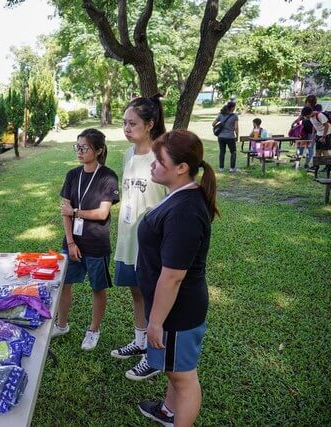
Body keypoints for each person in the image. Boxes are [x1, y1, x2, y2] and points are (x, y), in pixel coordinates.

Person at [136, 130, 218, 427]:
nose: (153, 164)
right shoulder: (180, 196)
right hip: (173, 308)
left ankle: (177, 417)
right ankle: (168, 412)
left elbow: (172, 277)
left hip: (177, 310)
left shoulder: (185, 210)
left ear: (182, 168)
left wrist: (155, 322)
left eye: (160, 160)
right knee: (174, 369)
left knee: (184, 378)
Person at [111, 96, 167, 382]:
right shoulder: (127, 155)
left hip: (152, 242)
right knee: (136, 291)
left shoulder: (162, 156)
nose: (126, 128)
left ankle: (155, 357)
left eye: (132, 123)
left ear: (150, 125)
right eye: (124, 123)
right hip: (128, 236)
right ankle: (140, 340)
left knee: (155, 296)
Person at [52, 128, 119, 351]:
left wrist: (75, 212)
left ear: (98, 151)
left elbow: (102, 214)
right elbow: (64, 210)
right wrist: (70, 242)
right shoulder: (72, 175)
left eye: (84, 148)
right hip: (72, 242)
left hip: (96, 243)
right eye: (77, 147)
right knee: (65, 284)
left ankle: (94, 330)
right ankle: (61, 325)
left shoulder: (108, 177)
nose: (79, 151)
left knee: (97, 288)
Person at [303, 105, 331, 173]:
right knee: (317, 150)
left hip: (327, 133)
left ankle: (328, 167)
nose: (306, 117)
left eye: (307, 116)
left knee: (324, 150)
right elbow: (314, 126)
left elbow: (326, 126)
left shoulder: (319, 115)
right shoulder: (311, 117)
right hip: (319, 134)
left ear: (310, 113)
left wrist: (323, 137)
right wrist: (313, 135)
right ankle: (316, 166)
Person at [290, 95, 317, 168]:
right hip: (303, 131)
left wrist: (313, 135)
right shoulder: (305, 108)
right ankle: (296, 163)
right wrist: (294, 123)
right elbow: (301, 117)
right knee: (300, 147)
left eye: (309, 102)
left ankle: (306, 164)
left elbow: (315, 120)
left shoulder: (317, 107)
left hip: (312, 132)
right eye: (307, 101)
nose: (308, 103)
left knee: (310, 148)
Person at [212, 101, 239, 172]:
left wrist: (220, 126)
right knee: (233, 152)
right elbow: (236, 127)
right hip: (230, 137)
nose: (234, 108)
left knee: (222, 152)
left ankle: (221, 168)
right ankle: (232, 168)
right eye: (234, 107)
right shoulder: (234, 116)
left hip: (221, 137)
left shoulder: (221, 115)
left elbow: (213, 124)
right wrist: (237, 136)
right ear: (232, 108)